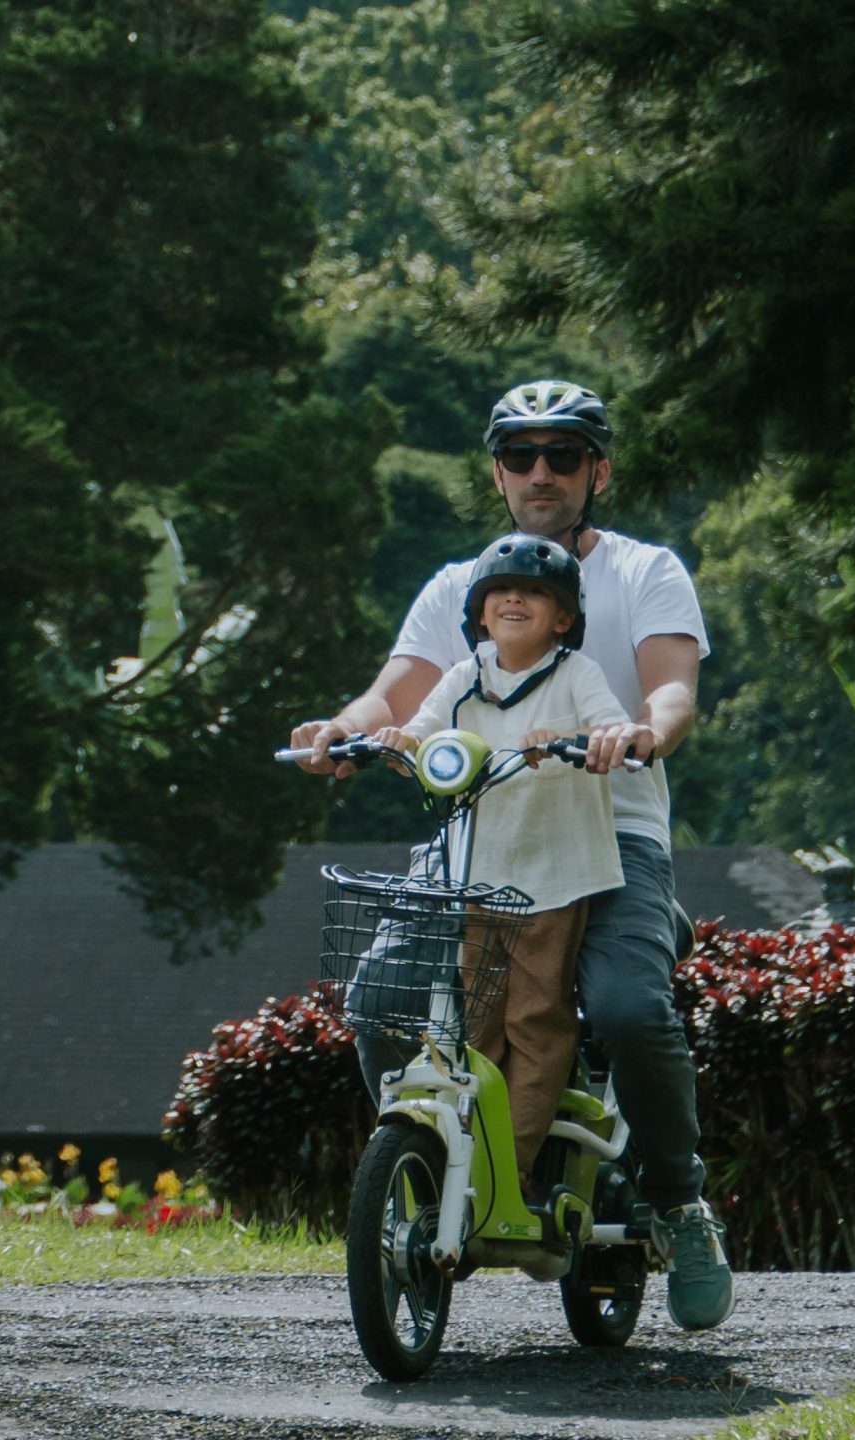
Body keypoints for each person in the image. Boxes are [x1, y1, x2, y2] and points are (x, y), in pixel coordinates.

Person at [289, 378, 732, 1332]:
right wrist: (341, 728)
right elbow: (395, 697)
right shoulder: (464, 584)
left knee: (628, 1008)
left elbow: (671, 692)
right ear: (496, 473)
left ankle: (678, 1202)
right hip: (479, 835)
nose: (540, 472)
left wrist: (642, 734)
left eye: (562, 455)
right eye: (520, 456)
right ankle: (441, 1164)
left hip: (610, 836)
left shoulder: (646, 572)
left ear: (597, 471)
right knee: (377, 999)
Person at [367, 532, 629, 1185]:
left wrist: (571, 739)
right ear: (480, 613)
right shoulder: (466, 676)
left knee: (535, 1021)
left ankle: (506, 1174)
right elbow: (424, 731)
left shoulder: (576, 674)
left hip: (555, 881)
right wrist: (401, 741)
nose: (515, 599)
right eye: (501, 591)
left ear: (562, 618)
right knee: (476, 1025)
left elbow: (609, 728)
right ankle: (462, 1170)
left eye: (534, 592)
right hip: (480, 877)